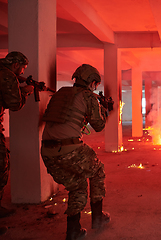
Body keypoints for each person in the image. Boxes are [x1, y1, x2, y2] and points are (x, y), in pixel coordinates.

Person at [41, 64, 110, 240]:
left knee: (77, 185)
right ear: (92, 82)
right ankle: (98, 218)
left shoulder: (60, 93)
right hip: (69, 149)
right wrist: (105, 110)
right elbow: (99, 126)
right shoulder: (88, 97)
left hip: (48, 152)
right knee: (98, 170)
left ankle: (73, 231)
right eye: (95, 84)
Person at [0, 52, 34, 220]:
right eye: (22, 68)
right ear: (15, 65)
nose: (22, 72)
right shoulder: (7, 76)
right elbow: (14, 105)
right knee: (2, 165)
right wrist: (25, 92)